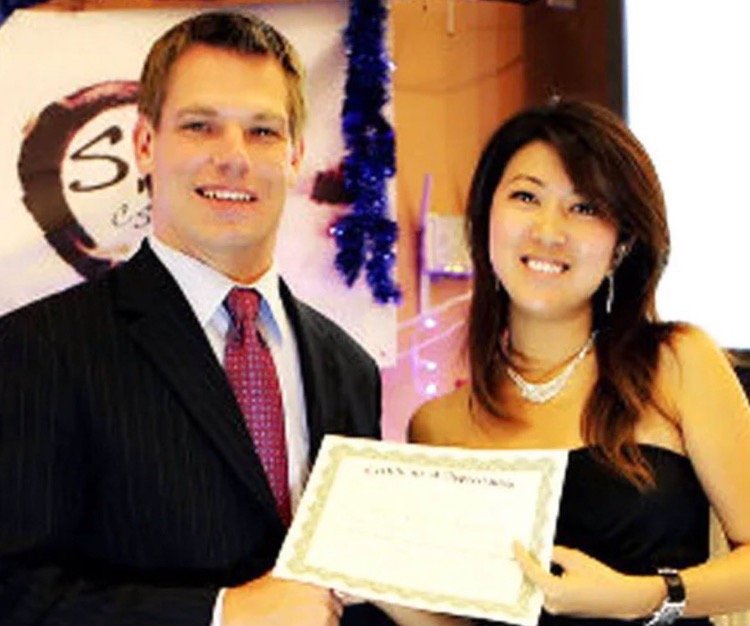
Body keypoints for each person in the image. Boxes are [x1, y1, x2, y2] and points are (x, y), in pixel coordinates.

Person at [0, 12, 391, 626]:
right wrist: (221, 613)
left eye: (263, 131)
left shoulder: (351, 368)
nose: (233, 157)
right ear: (145, 144)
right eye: (199, 126)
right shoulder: (37, 350)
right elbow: (15, 596)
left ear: (295, 155)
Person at [406, 99, 750, 625]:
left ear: (622, 244)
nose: (549, 231)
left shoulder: (676, 364)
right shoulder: (437, 426)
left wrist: (640, 596)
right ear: (486, 218)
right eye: (526, 197)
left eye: (585, 207)